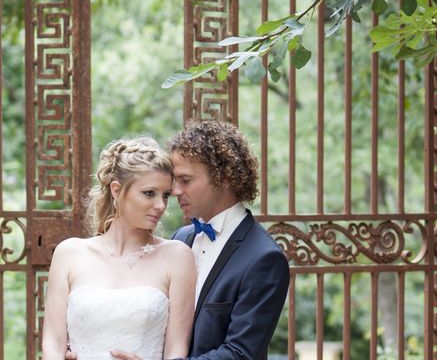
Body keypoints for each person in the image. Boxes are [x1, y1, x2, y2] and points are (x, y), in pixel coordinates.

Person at [70, 120, 290, 360]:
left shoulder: (263, 258)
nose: (174, 192)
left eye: (185, 180)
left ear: (224, 178)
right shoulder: (182, 239)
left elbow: (241, 353)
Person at [42, 136, 197, 360]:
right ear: (116, 190)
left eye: (165, 196)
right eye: (149, 193)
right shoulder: (69, 253)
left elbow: (176, 352)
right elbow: (52, 345)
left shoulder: (178, 257)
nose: (160, 206)